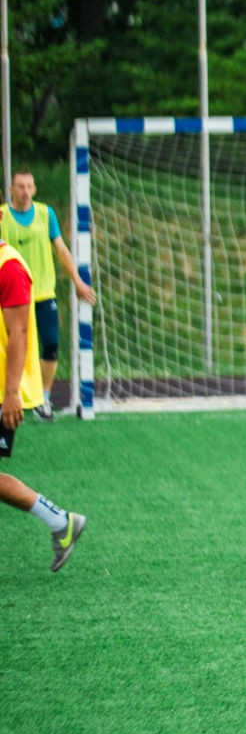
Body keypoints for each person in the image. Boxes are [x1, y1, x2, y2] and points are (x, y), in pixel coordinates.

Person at [0, 236, 86, 570]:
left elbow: (19, 334)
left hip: (4, 391)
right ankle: (60, 522)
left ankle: (60, 521)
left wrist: (11, 394)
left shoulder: (10, 268)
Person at [1, 170, 97, 422]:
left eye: (29, 186)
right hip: (12, 297)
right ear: (11, 190)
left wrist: (78, 281)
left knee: (51, 344)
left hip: (42, 293)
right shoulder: (3, 215)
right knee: (10, 348)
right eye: (20, 186)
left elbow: (61, 249)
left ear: (34, 189)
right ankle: (10, 397)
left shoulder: (46, 214)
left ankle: (42, 398)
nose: (24, 191)